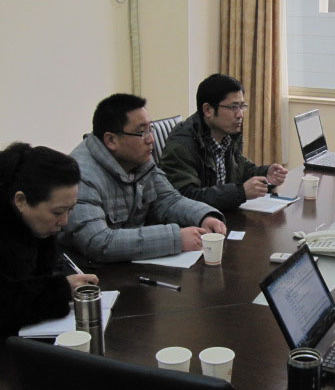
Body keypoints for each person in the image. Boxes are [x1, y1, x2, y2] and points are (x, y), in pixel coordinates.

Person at [59, 94, 227, 263]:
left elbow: (168, 200)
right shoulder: (81, 176)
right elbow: (98, 242)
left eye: (150, 129)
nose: (151, 139)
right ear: (111, 140)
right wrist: (176, 238)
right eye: (141, 132)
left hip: (130, 265)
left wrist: (204, 216)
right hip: (91, 271)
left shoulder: (139, 160)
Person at [0, 143, 98, 336]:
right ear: (20, 201)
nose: (65, 221)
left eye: (70, 210)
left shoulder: (36, 229)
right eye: (58, 212)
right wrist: (61, 290)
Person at [159, 73, 288, 211]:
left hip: (221, 215)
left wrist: (265, 173)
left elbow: (240, 169)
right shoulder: (182, 145)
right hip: (197, 221)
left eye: (242, 106)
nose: (240, 114)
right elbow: (187, 198)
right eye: (233, 107)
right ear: (208, 110)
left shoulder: (227, 135)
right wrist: (240, 192)